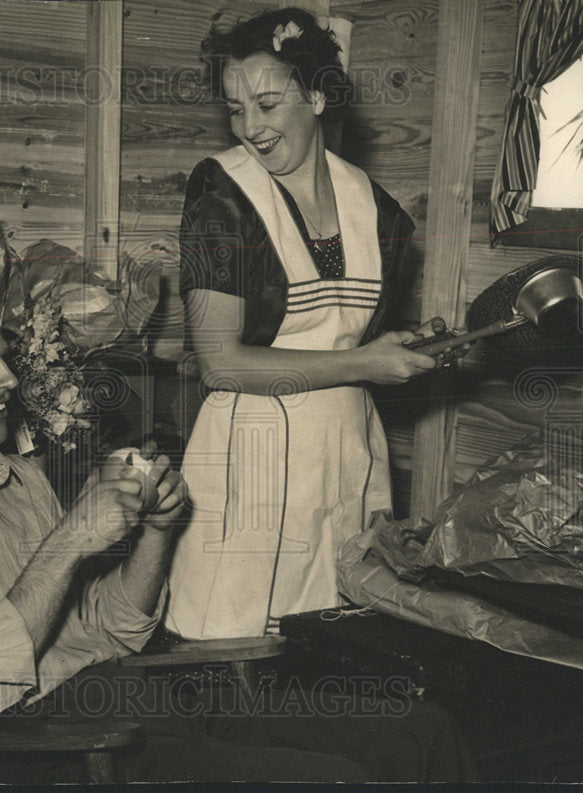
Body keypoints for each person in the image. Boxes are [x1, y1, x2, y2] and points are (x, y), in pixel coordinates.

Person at [0, 279, 475, 783]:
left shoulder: (17, 478)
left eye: (4, 360)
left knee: (421, 729)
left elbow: (112, 630)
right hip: (52, 745)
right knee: (335, 777)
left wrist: (156, 531)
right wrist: (69, 540)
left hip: (137, 701)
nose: (8, 380)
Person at [165, 8, 452, 640]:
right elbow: (221, 363)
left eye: (267, 105)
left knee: (329, 641)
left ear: (318, 95)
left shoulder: (380, 211)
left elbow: (360, 338)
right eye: (236, 110)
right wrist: (367, 363)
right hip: (251, 452)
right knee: (234, 648)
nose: (251, 129)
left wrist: (405, 349)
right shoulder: (222, 193)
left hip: (344, 449)